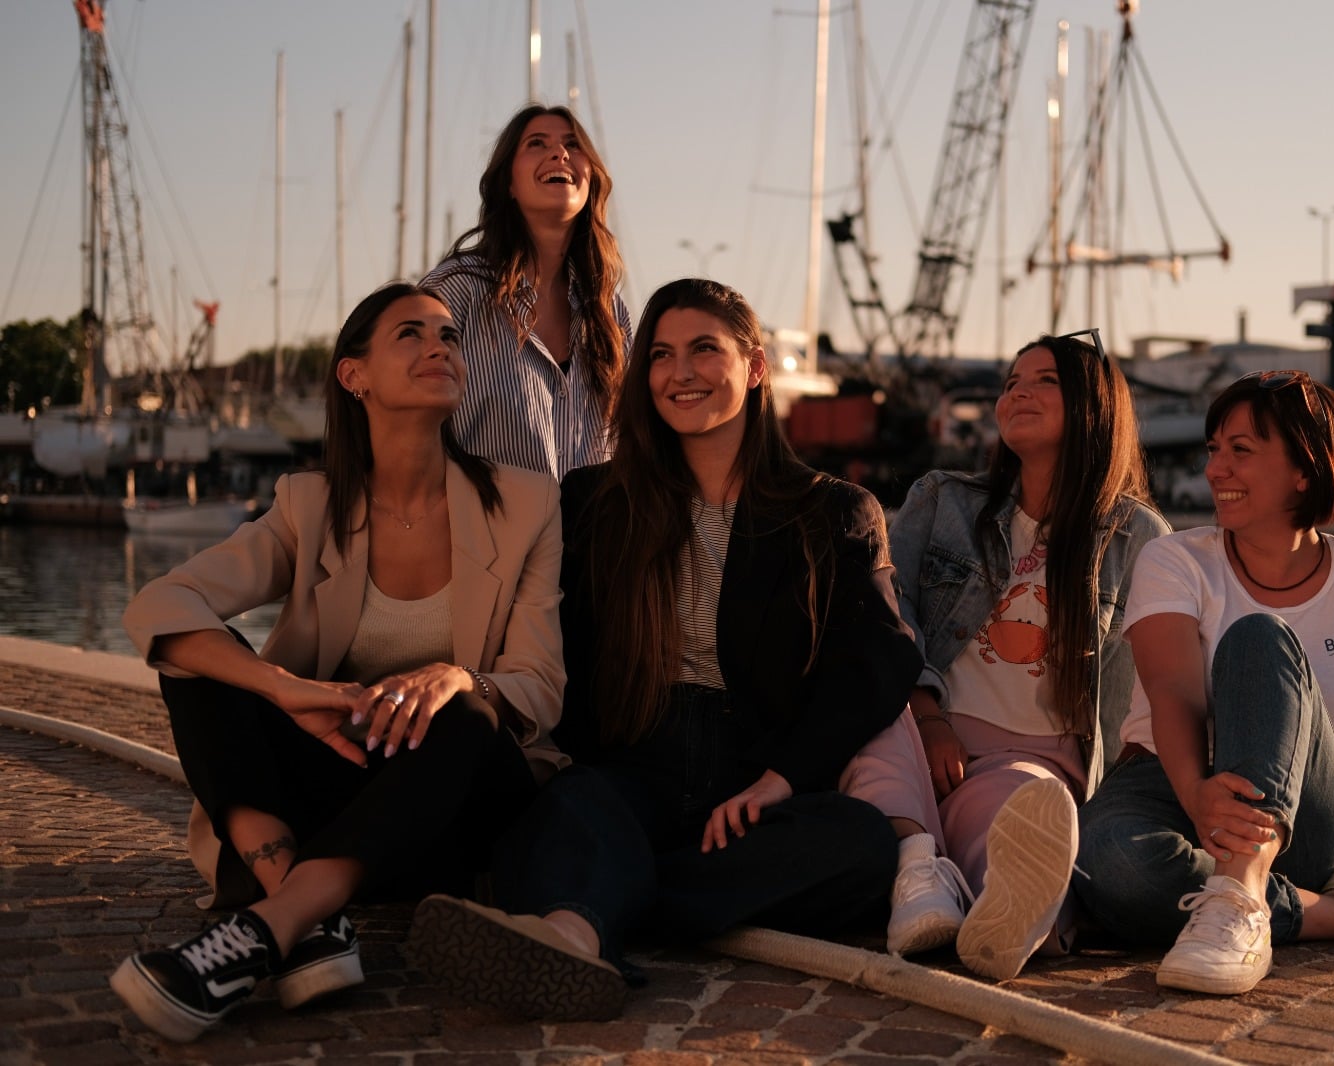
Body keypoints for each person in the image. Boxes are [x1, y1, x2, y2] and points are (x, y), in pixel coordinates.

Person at [406, 278, 922, 1020]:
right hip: (631, 756)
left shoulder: (833, 510)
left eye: (704, 350)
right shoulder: (593, 499)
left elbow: (881, 660)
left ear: (756, 366)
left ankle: (614, 894)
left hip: (753, 768)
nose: (680, 372)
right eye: (661, 355)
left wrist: (781, 779)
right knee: (574, 808)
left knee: (859, 846)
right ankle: (569, 941)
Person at [110, 283, 566, 1041]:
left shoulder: (524, 503)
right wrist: (284, 688)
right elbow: (159, 607)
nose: (439, 347)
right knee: (199, 662)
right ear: (353, 376)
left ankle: (262, 932)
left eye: (449, 337)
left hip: (459, 804)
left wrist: (460, 678)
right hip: (337, 793)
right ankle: (305, 909)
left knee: (462, 711)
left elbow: (540, 688)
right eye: (410, 335)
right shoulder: (307, 504)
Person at [1075, 370, 1334, 997]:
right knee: (1107, 860)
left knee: (1257, 638)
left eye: (1240, 451)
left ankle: (1239, 897)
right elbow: (1172, 695)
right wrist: (1198, 795)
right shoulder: (1176, 560)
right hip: (1170, 780)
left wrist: (1278, 816)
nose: (1215, 469)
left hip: (1306, 809)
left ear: (1305, 468)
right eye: (1213, 450)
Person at [875, 330, 1169, 979]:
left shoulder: (1136, 536)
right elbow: (886, 605)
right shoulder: (944, 501)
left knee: (1019, 812)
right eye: (1011, 382)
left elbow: (1150, 687)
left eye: (1044, 381)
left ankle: (1010, 913)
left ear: (1094, 407)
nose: (1017, 393)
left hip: (1040, 766)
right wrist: (926, 714)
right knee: (871, 724)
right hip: (926, 737)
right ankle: (984, 897)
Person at [421, 103, 631, 476]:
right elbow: (405, 418)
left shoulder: (611, 312)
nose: (559, 153)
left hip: (594, 534)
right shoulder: (457, 290)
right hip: (483, 532)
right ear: (509, 185)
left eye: (572, 144)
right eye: (537, 143)